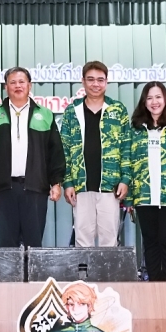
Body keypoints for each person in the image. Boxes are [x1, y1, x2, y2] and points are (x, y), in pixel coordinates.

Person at [0, 67, 65, 248]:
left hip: (36, 187)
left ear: (29, 85)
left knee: (34, 242)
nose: (17, 86)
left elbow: (55, 151)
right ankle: (10, 269)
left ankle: (32, 269)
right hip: (4, 188)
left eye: (22, 82)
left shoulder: (45, 114)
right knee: (8, 243)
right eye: (12, 82)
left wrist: (56, 182)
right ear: (5, 87)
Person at [124, 82, 166, 281]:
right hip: (144, 197)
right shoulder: (135, 130)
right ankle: (154, 286)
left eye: (158, 97)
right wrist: (129, 198)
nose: (154, 102)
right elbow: (127, 162)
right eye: (149, 98)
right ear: (144, 102)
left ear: (165, 100)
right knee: (150, 243)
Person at [59, 62, 129, 247]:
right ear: (83, 81)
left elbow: (126, 147)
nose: (95, 84)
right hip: (81, 186)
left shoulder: (117, 110)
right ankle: (84, 269)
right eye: (90, 79)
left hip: (110, 186)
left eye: (100, 80)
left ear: (106, 82)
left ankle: (108, 269)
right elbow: (64, 149)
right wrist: (67, 182)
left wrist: (125, 179)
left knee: (109, 241)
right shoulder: (72, 111)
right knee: (82, 241)